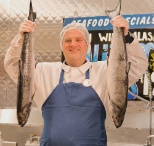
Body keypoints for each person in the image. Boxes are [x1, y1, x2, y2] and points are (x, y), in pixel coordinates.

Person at [4, 15, 148, 146]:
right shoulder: (44, 71)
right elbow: (14, 66)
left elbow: (139, 64)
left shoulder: (105, 71)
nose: (73, 44)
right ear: (62, 46)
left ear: (87, 45)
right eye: (68, 40)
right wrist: (21, 38)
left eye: (78, 40)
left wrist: (126, 36)